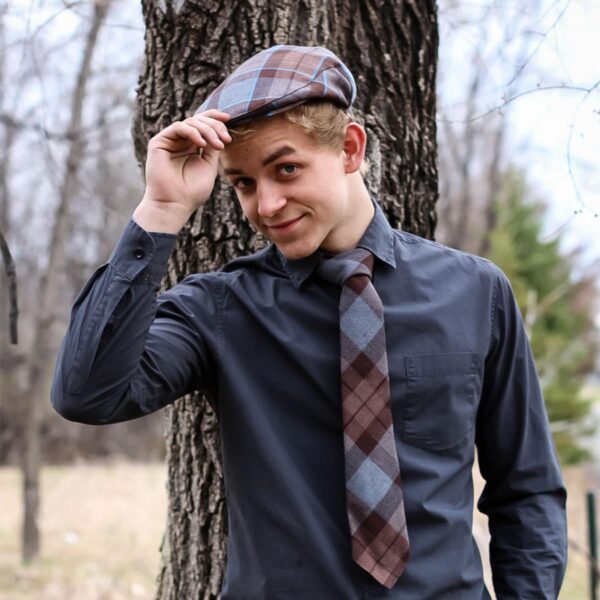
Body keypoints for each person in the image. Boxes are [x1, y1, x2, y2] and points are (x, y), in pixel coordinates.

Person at [52, 45, 567, 599]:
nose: (267, 205)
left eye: (286, 169)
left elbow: (526, 489)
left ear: (349, 149)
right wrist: (160, 209)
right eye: (244, 184)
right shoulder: (221, 309)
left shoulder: (475, 292)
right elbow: (87, 393)